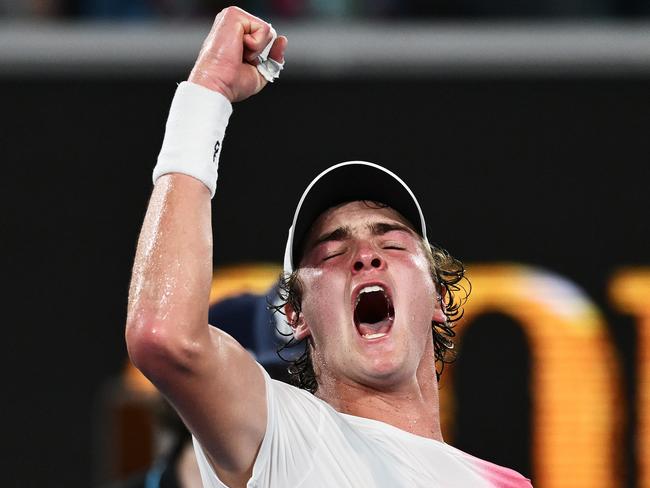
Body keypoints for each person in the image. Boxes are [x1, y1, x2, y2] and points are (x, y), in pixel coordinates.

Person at [125, 6, 533, 487]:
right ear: (295, 316)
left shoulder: (503, 484)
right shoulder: (282, 436)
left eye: (394, 243)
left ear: (439, 299)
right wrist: (207, 94)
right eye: (331, 254)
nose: (366, 255)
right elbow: (163, 335)